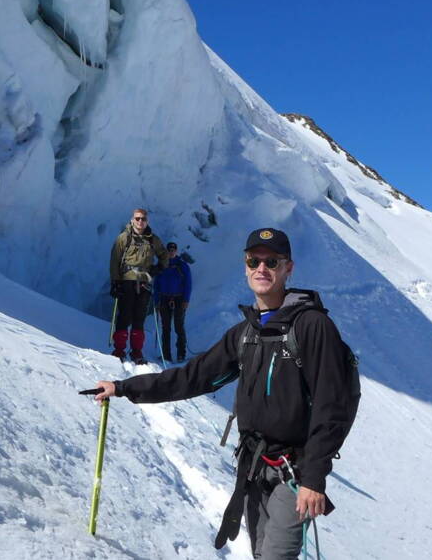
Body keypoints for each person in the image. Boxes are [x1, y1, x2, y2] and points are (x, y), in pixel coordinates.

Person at [92, 228, 359, 558]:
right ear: (245, 266)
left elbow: (331, 405)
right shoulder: (245, 333)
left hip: (295, 471)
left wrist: (314, 479)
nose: (262, 268)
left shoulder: (312, 326)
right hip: (253, 467)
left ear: (288, 268)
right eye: (254, 260)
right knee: (262, 553)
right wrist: (123, 388)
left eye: (272, 261)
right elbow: (193, 377)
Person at [108, 208, 165, 364]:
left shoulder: (153, 240)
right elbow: (115, 260)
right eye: (138, 218)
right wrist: (115, 282)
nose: (140, 222)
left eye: (143, 219)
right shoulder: (123, 238)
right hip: (127, 281)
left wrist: (158, 268)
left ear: (147, 221)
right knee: (124, 316)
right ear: (132, 219)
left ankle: (136, 352)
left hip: (144, 282)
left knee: (139, 318)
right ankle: (119, 350)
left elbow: (164, 255)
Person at [152, 242, 192, 361]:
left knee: (178, 327)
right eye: (169, 249)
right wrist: (156, 300)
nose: (171, 251)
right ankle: (166, 355)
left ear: (176, 250)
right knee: (166, 328)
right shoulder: (162, 265)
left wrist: (186, 299)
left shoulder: (183, 266)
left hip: (179, 299)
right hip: (164, 299)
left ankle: (181, 354)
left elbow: (188, 284)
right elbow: (156, 285)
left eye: (173, 249)